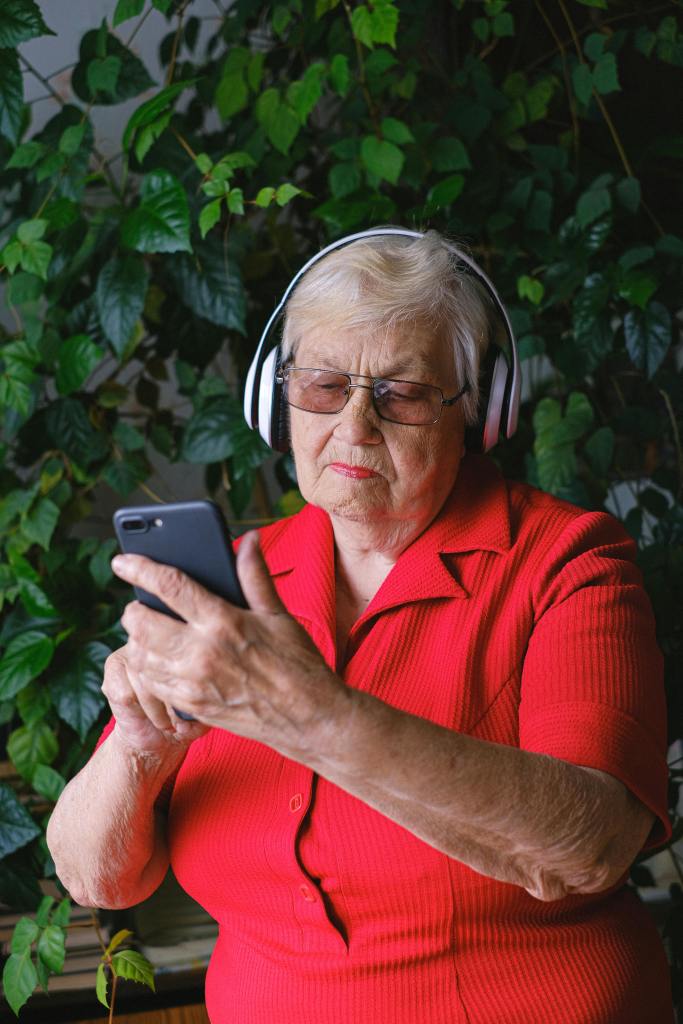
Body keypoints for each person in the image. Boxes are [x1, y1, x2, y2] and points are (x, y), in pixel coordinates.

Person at [47, 229, 673, 1024]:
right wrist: (140, 745)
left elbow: (592, 847)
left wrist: (312, 714)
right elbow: (97, 880)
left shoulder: (567, 563)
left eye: (401, 394)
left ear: (478, 413)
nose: (353, 425)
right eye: (320, 384)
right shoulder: (235, 581)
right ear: (274, 398)